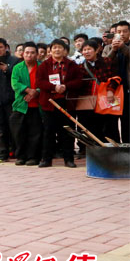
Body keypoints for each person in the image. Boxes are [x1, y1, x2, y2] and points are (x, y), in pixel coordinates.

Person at [37, 39, 83, 168]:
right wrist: (53, 87)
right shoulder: (44, 65)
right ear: (50, 50)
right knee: (48, 132)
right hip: (49, 103)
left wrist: (65, 86)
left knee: (67, 132)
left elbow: (79, 81)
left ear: (65, 50)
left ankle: (69, 159)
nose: (57, 50)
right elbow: (39, 82)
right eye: (54, 47)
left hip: (67, 103)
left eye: (60, 47)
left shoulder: (72, 65)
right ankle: (46, 159)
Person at [80, 39, 120, 143]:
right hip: (90, 103)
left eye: (89, 49)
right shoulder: (80, 67)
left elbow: (116, 78)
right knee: (93, 129)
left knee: (110, 127)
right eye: (84, 50)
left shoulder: (107, 62)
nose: (86, 52)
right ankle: (96, 154)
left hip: (107, 100)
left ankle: (113, 153)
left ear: (97, 50)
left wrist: (110, 90)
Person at [10, 42, 42, 166]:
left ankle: (33, 157)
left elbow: (45, 83)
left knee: (35, 133)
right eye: (27, 52)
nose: (29, 55)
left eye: (32, 52)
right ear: (22, 54)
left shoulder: (42, 67)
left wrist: (36, 92)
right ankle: (21, 156)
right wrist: (28, 90)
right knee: (19, 132)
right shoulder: (17, 67)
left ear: (37, 54)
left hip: (37, 105)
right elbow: (15, 83)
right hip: (20, 104)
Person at [102, 20, 129, 143]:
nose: (121, 34)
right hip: (113, 91)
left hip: (127, 90)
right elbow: (103, 65)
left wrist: (122, 46)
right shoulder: (108, 48)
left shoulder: (126, 47)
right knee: (111, 121)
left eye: (124, 31)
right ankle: (114, 150)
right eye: (119, 31)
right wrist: (113, 50)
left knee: (127, 122)